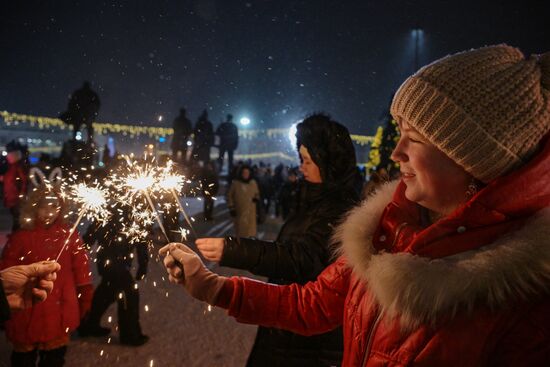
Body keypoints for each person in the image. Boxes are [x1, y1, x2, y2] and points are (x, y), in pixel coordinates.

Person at [161, 45, 550, 366]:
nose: (396, 152)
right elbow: (312, 305)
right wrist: (212, 286)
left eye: (415, 138)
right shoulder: (386, 227)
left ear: (471, 156)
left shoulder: (525, 302)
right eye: (400, 134)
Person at [195, 114, 361, 366]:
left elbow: (301, 258)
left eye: (307, 160)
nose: (301, 167)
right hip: (288, 330)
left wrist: (236, 250)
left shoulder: (339, 210)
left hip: (308, 343)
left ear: (328, 163)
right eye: (300, 159)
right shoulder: (312, 201)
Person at [1, 188, 93, 366]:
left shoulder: (69, 235)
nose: (49, 212)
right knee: (23, 359)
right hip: (27, 307)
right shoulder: (20, 238)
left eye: (54, 207)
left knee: (55, 357)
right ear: (33, 208)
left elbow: (81, 267)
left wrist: (85, 292)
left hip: (60, 306)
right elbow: (7, 269)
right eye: (43, 207)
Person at [78, 206, 149, 346]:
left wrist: (143, 265)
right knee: (129, 295)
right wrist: (142, 266)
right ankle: (130, 335)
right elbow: (88, 239)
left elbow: (141, 243)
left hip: (111, 264)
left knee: (107, 292)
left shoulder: (126, 214)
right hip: (112, 264)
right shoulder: (109, 214)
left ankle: (89, 324)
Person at [226, 165, 260, 238]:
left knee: (251, 232)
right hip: (240, 211)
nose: (246, 174)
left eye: (247, 173)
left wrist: (256, 198)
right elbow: (229, 196)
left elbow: (257, 193)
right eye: (244, 173)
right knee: (241, 232)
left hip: (251, 212)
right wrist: (231, 207)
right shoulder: (236, 183)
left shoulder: (253, 183)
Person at [2, 143, 28, 231]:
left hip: (15, 197)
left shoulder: (18, 167)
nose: (8, 157)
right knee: (14, 216)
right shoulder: (12, 167)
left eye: (9, 156)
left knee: (17, 217)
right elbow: (10, 178)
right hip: (11, 196)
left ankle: (16, 235)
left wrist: (22, 193)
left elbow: (23, 180)